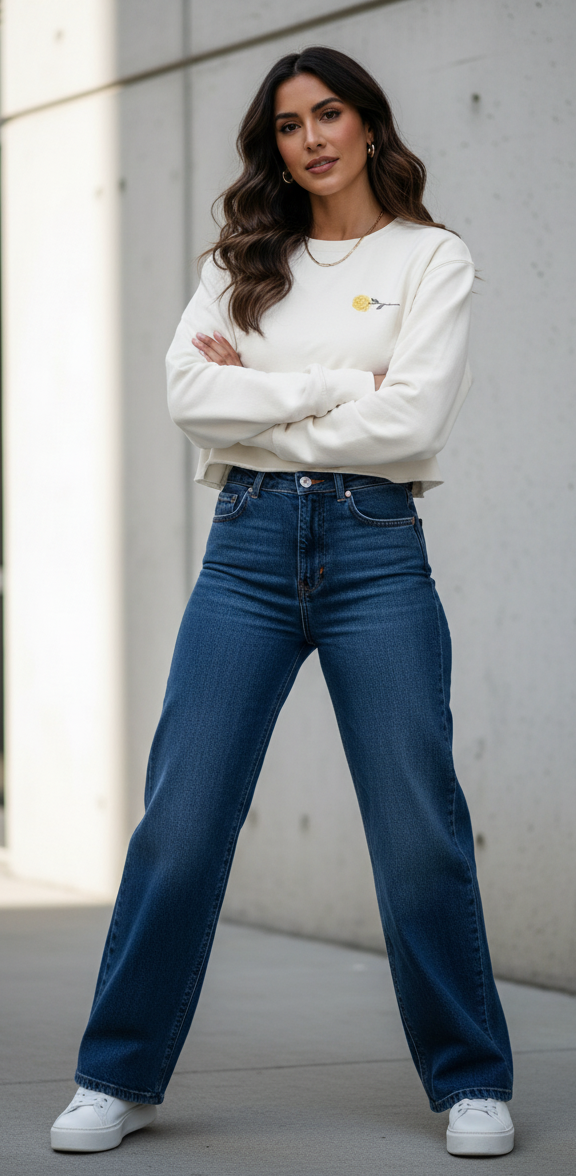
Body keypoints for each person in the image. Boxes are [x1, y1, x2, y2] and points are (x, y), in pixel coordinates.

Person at [50, 46, 514, 1158]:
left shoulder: (430, 259)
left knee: (417, 832)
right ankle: (118, 1075)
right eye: (291, 123)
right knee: (182, 820)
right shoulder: (244, 261)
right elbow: (186, 394)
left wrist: (256, 399)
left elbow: (412, 426)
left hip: (374, 551)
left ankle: (471, 1083)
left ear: (368, 124)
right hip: (246, 550)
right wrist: (335, 386)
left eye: (331, 113)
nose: (311, 138)